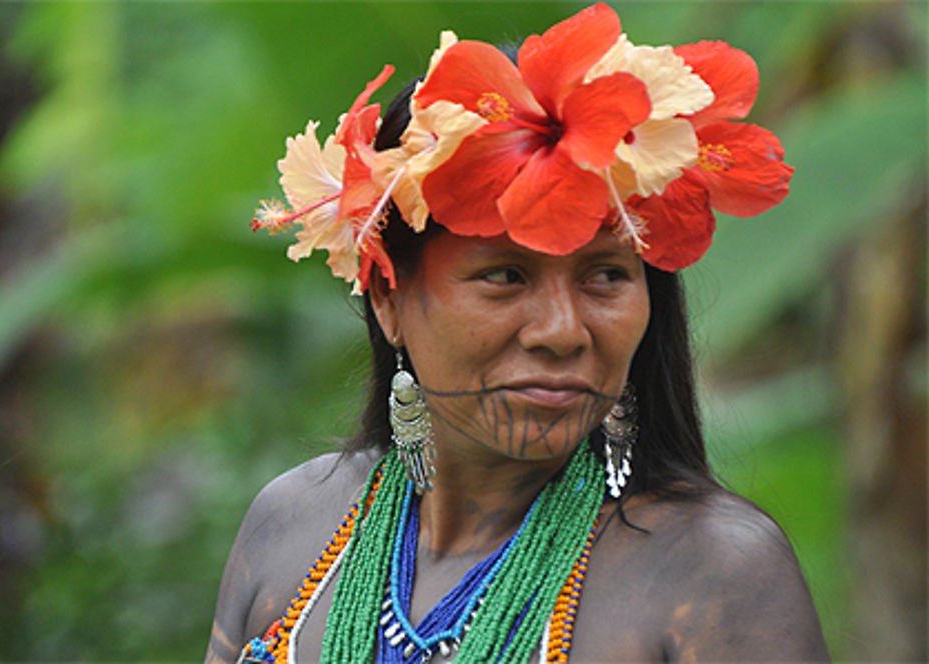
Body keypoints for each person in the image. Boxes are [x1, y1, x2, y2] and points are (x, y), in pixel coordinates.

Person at [207, 4, 829, 662]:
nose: (561, 332)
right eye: (505, 275)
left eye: (607, 276)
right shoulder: (291, 526)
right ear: (390, 298)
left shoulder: (716, 573)